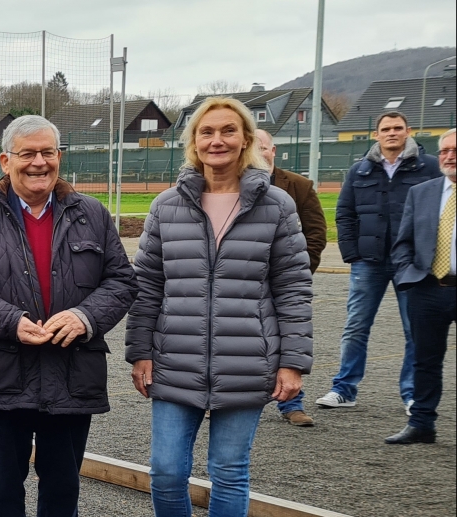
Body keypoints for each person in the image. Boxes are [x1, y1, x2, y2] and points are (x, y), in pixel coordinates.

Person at [0, 115, 136, 517]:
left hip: (72, 375)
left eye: (48, 152)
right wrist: (9, 321)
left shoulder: (92, 214)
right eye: (27, 153)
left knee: (63, 488)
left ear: (59, 157)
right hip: (4, 377)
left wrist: (85, 316)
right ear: (5, 161)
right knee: (1, 489)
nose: (39, 162)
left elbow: (122, 282)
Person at [126, 97, 312, 517]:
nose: (217, 140)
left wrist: (292, 362)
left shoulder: (277, 206)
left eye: (228, 130)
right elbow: (148, 286)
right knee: (167, 471)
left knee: (229, 471)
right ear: (194, 141)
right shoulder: (166, 206)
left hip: (247, 361)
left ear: (246, 138)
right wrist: (139, 352)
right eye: (206, 132)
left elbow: (293, 288)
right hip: (175, 359)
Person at [319, 111, 440, 412]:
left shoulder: (430, 167)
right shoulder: (360, 170)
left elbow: (442, 210)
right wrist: (352, 252)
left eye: (398, 128)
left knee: (415, 329)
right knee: (356, 325)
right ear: (376, 134)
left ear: (409, 131)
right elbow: (345, 213)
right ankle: (344, 389)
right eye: (385, 128)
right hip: (368, 262)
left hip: (412, 262)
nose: (392, 133)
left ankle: (412, 394)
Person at [384, 128, 457, 444]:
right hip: (428, 289)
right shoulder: (423, 192)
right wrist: (406, 275)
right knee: (425, 360)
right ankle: (422, 424)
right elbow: (404, 240)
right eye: (444, 151)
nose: (449, 157)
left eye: (455, 150)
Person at [254, 129, 327, 427]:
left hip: (282, 281)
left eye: (262, 147)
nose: (257, 153)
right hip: (245, 282)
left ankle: (291, 404)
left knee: (288, 341)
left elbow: (315, 234)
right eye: (252, 147)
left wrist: (295, 272)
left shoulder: (299, 186)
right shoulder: (226, 187)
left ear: (273, 150)